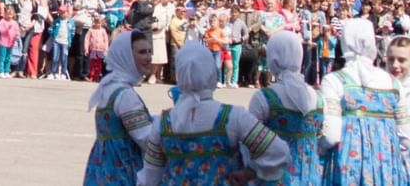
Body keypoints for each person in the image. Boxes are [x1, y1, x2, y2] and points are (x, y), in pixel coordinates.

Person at [137, 39, 288, 186]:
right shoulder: (232, 117)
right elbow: (278, 151)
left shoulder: (163, 123)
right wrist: (249, 173)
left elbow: (150, 176)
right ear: (211, 72)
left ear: (180, 74)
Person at [319, 18, 406, 186]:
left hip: (347, 165)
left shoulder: (335, 80)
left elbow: (331, 135)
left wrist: (319, 148)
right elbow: (405, 134)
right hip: (386, 166)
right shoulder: (393, 83)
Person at [83, 29, 156, 186]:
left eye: (150, 52)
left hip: (101, 168)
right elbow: (146, 138)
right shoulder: (125, 95)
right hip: (121, 170)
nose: (149, 57)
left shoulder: (109, 86)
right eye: (142, 52)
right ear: (126, 56)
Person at [249, 31, 323, 186]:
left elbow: (250, 142)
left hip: (273, 177)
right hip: (309, 176)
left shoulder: (265, 97)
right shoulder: (318, 98)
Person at [381, 36, 410, 183]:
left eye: (402, 60)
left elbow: (405, 139)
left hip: (399, 158)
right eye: (391, 59)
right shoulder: (379, 86)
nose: (395, 65)